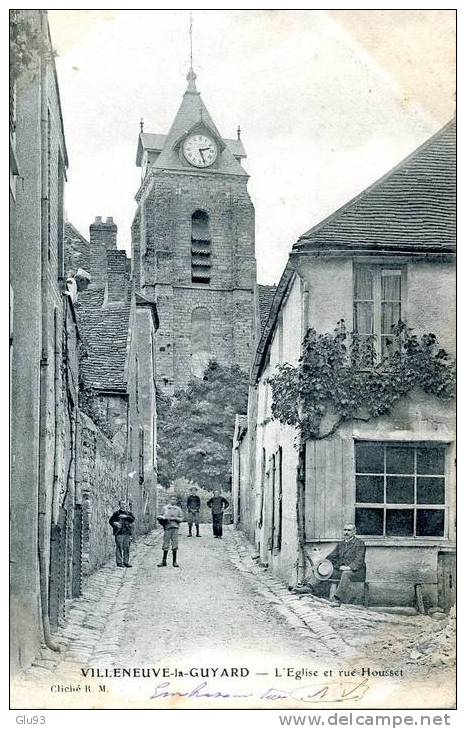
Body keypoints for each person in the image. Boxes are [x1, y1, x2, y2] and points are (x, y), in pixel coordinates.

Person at [326, 523, 366, 606]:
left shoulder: (360, 543)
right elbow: (331, 557)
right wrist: (325, 564)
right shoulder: (341, 544)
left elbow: (359, 561)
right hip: (342, 571)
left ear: (354, 532)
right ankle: (308, 586)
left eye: (349, 530)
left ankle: (337, 599)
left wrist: (348, 568)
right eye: (345, 530)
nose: (346, 532)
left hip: (357, 572)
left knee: (346, 574)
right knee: (324, 569)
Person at [109, 499, 135, 568]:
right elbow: (111, 521)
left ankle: (126, 562)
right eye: (122, 504)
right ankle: (119, 562)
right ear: (119, 505)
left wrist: (126, 517)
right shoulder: (116, 513)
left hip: (127, 533)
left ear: (126, 505)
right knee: (119, 547)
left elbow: (132, 519)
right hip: (119, 533)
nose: (123, 505)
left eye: (124, 504)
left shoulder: (129, 514)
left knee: (126, 547)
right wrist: (115, 523)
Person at [157, 500, 183, 567]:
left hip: (175, 528)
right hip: (167, 527)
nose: (173, 501)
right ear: (170, 500)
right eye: (172, 499)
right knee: (165, 544)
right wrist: (162, 519)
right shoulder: (165, 508)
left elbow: (182, 519)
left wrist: (175, 518)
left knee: (175, 544)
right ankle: (164, 561)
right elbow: (160, 516)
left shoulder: (178, 509)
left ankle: (174, 561)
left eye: (175, 499)